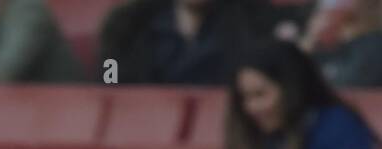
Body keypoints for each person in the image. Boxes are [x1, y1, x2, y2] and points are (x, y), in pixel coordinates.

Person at [225, 40, 382, 149]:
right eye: (244, 97)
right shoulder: (265, 140)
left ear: (292, 89)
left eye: (260, 95)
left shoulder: (337, 126)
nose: (251, 107)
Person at [98, 0, 279, 87]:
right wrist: (112, 89)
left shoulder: (250, 18)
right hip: (147, 121)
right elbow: (108, 71)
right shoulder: (127, 24)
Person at [297, 0, 382, 90]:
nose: (322, 14)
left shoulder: (381, 48)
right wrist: (309, 43)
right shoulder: (328, 51)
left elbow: (353, 94)